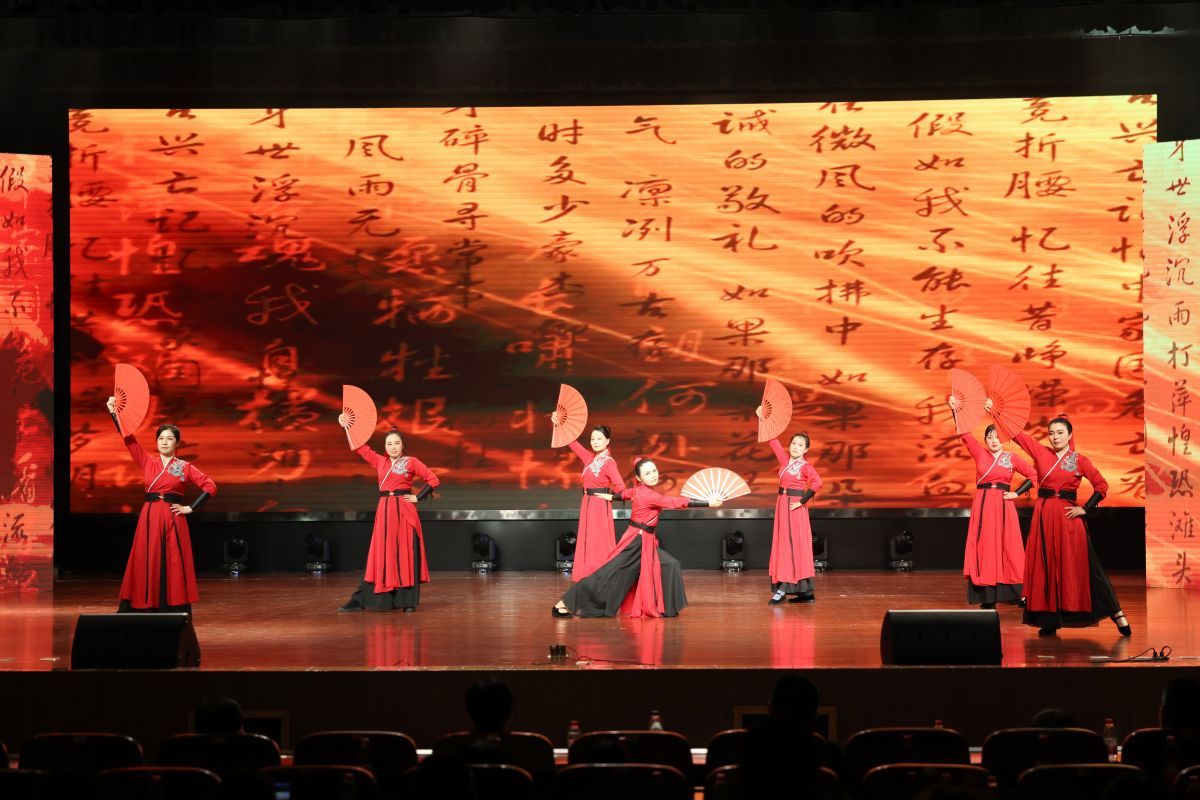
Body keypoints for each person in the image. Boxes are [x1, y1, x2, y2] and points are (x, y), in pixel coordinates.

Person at [1002, 406, 1130, 636]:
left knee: (1087, 567)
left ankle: (1116, 612)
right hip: (1044, 517)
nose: (1055, 437)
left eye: (1060, 433)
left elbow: (1101, 486)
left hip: (1068, 518)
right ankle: (1050, 620)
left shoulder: (1079, 460)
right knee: (1046, 566)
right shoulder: (1041, 453)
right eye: (1051, 433)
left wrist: (1085, 509)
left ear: (1070, 435)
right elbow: (1017, 435)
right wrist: (997, 412)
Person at [553, 458, 720, 618]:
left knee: (670, 564)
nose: (653, 475)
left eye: (654, 471)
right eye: (647, 473)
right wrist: (707, 503)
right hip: (636, 542)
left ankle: (665, 608)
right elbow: (674, 502)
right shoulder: (648, 495)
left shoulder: (640, 490)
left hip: (645, 541)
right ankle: (564, 603)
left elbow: (628, 493)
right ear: (639, 478)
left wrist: (613, 497)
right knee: (606, 574)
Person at [105, 397, 216, 614]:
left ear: (177, 443)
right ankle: (141, 604)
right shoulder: (148, 461)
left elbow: (210, 486)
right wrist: (114, 413)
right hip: (150, 516)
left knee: (172, 560)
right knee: (145, 557)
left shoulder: (185, 467)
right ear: (156, 442)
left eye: (169, 439)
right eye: (161, 438)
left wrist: (190, 508)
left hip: (173, 517)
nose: (164, 442)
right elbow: (128, 438)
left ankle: (173, 604)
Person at [337, 420, 439, 612]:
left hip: (404, 510)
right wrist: (346, 427)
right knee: (382, 552)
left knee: (405, 552)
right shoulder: (380, 461)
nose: (393, 447)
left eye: (396, 443)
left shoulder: (411, 461)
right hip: (385, 510)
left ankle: (407, 602)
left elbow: (433, 479)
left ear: (403, 445)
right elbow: (359, 447)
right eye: (389, 444)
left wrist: (417, 497)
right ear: (385, 447)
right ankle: (364, 599)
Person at [952, 405, 1035, 608]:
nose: (994, 440)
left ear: (1003, 439)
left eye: (997, 437)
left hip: (1004, 505)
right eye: (990, 437)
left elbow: (1033, 475)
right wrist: (955, 411)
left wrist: (1017, 492)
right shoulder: (980, 454)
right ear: (985, 440)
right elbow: (965, 434)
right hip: (983, 505)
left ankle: (1016, 593)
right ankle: (987, 596)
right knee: (985, 546)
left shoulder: (1012, 458)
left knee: (1008, 546)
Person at [757, 408, 823, 605]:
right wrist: (763, 418)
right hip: (782, 505)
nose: (795, 446)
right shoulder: (785, 461)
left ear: (806, 450)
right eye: (793, 443)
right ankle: (805, 592)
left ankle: (784, 589)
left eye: (800, 445)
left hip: (794, 508)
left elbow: (818, 483)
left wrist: (801, 502)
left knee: (792, 547)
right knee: (783, 545)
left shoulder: (806, 466)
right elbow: (772, 440)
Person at [564, 425, 624, 580]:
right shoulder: (589, 458)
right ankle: (588, 574)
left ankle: (600, 574)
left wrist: (612, 496)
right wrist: (558, 423)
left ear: (607, 441)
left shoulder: (609, 462)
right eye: (592, 439)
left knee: (598, 539)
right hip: (587, 503)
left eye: (599, 439)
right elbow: (572, 442)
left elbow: (620, 486)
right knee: (588, 538)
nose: (595, 442)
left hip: (598, 505)